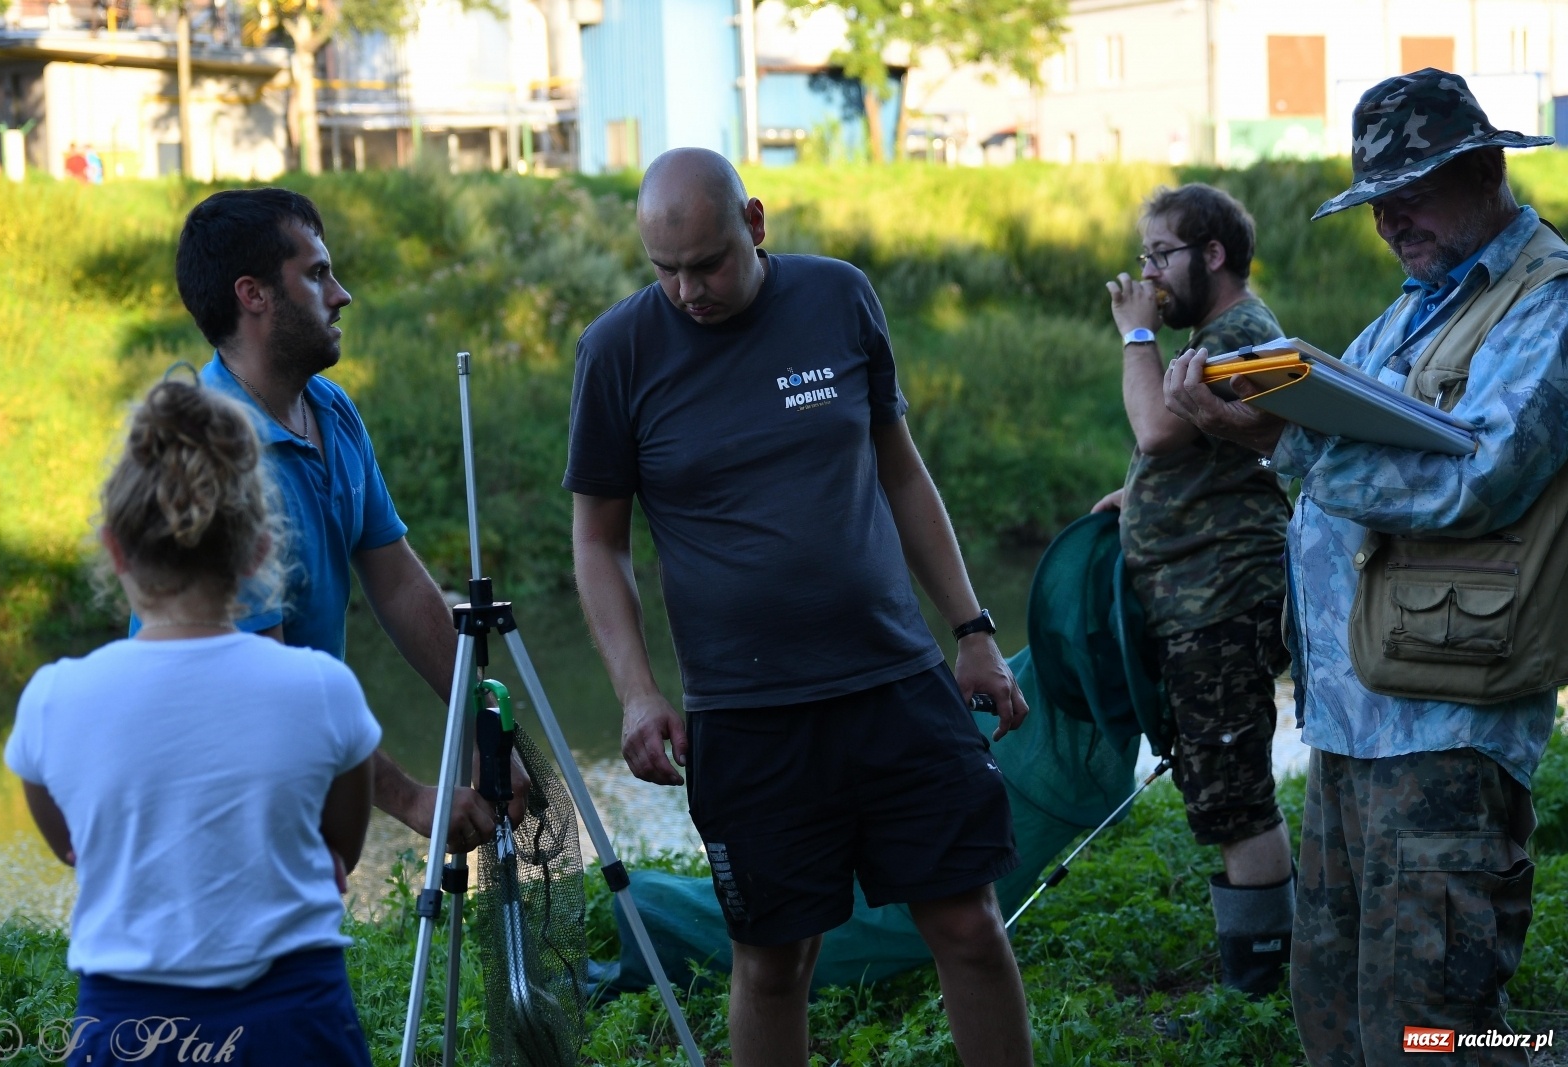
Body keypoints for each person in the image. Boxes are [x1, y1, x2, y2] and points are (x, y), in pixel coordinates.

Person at [566, 147, 1034, 1067]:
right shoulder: (618, 350)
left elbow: (901, 470)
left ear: (756, 221)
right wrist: (635, 691)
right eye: (666, 271)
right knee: (774, 962)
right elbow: (598, 541)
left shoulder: (838, 297)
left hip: (894, 681)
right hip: (747, 716)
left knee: (971, 924)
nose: (689, 290)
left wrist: (972, 631)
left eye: (708, 264)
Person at [1163, 68, 1566, 1065]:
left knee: (1431, 1030)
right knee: (1338, 1011)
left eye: (1411, 192)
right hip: (1351, 726)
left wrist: (1273, 442)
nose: (1391, 221)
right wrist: (1258, 415)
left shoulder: (1547, 304)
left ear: (1483, 169)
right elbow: (1332, 429)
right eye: (1377, 202)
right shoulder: (1414, 305)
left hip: (1444, 726)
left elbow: (1479, 476)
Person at [5, 380, 378, 1065]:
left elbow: (72, 846)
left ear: (115, 548)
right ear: (260, 551)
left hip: (127, 1030)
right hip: (295, 1024)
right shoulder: (322, 689)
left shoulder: (53, 698)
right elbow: (340, 852)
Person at [171, 188, 524, 855]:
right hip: (216, 811)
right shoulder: (211, 456)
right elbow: (263, 682)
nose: (342, 294)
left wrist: (485, 724)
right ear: (253, 294)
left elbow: (397, 585)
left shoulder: (331, 409)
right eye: (316, 274)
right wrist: (412, 796)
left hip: (300, 785)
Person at [1094, 183, 1295, 998]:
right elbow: (1180, 453)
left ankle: (1259, 996)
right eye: (1145, 258)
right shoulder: (1219, 333)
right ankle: (1262, 980)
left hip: (1222, 604)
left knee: (1236, 796)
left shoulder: (1242, 332)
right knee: (1222, 791)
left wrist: (1136, 330)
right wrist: (1136, 493)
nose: (1148, 275)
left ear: (1212, 254)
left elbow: (1157, 427)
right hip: (1196, 603)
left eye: (1161, 256)